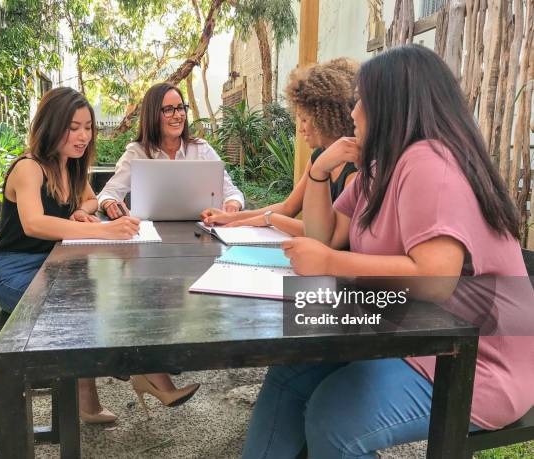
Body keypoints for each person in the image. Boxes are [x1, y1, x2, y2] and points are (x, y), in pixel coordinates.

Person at [243, 45, 534, 458]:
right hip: (418, 336)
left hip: (474, 363)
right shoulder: (381, 167)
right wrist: (320, 171)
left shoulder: (430, 160)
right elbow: (325, 234)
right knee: (290, 374)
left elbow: (435, 277)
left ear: (392, 104)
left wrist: (330, 263)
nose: (354, 111)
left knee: (335, 417)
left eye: (361, 99)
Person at [0, 87, 198, 425]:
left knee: (108, 296)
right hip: (15, 272)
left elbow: (91, 199)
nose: (83, 135)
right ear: (51, 125)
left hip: (55, 263)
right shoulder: (29, 167)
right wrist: (102, 230)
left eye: (88, 127)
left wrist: (80, 212)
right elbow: (34, 223)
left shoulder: (69, 166)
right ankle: (139, 374)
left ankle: (118, 386)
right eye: (73, 127)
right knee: (83, 309)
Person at [200, 58, 358, 236]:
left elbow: (330, 236)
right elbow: (288, 207)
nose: (300, 128)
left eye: (304, 120)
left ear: (326, 118)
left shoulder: (353, 168)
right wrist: (231, 218)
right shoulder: (319, 157)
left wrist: (269, 218)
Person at [98, 82, 244, 218]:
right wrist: (109, 203)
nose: (178, 115)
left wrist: (232, 204)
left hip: (201, 233)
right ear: (153, 115)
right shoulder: (136, 153)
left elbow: (232, 193)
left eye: (180, 108)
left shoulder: (201, 149)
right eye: (168, 110)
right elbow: (109, 193)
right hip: (150, 235)